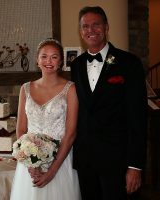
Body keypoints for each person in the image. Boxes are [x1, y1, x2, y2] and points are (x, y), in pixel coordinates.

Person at [70, 6, 147, 200]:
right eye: (85, 26)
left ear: (106, 27)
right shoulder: (77, 66)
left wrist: (135, 165)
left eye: (96, 24)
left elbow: (138, 117)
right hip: (85, 160)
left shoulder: (129, 63)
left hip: (118, 161)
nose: (91, 30)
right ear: (80, 31)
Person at [10, 38, 81, 200]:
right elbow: (21, 129)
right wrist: (30, 162)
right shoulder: (25, 88)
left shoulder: (71, 89)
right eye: (44, 56)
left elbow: (71, 133)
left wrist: (52, 171)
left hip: (61, 161)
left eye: (54, 57)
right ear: (37, 60)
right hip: (29, 163)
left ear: (61, 62)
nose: (48, 61)